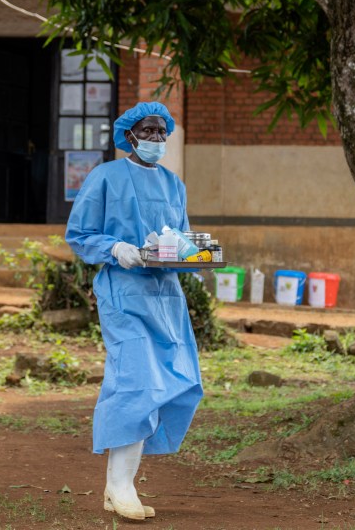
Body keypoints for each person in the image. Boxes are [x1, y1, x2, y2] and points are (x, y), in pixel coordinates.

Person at [65, 101, 203, 521]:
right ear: (129, 135)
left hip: (166, 295)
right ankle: (119, 486)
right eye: (149, 131)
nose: (157, 139)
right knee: (136, 382)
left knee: (172, 383)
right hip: (124, 292)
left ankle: (122, 484)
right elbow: (80, 233)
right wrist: (115, 248)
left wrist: (193, 257)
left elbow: (178, 238)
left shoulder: (173, 184)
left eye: (163, 132)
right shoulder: (105, 177)